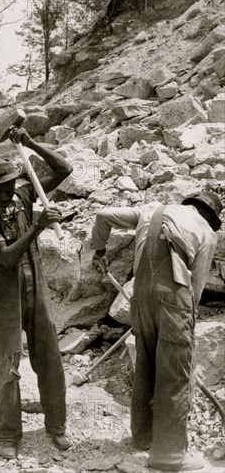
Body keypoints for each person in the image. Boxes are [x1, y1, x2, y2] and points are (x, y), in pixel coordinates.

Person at [90, 192, 222, 471]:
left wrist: (99, 251)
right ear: (210, 217)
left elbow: (102, 216)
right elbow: (195, 289)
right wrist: (186, 326)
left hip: (140, 297)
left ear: (188, 204)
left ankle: (143, 437)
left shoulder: (151, 210)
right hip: (174, 300)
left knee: (146, 363)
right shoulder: (207, 233)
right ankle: (169, 455)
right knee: (175, 374)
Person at [0, 127, 73, 459]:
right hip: (3, 294)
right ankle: (7, 435)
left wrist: (29, 143)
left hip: (37, 289)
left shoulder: (25, 195)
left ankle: (56, 427)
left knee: (50, 359)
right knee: (6, 364)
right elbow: (7, 257)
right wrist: (38, 227)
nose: (4, 193)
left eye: (8, 186)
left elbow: (63, 169)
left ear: (16, 181)